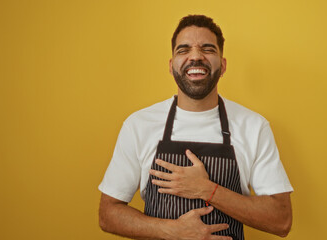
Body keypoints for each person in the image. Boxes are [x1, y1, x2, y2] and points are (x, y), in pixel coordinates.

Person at [98, 15, 293, 240]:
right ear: (172, 67)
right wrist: (173, 231)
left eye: (207, 49)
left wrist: (207, 189)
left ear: (223, 65)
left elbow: (281, 220)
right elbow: (108, 214)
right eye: (183, 50)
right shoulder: (138, 125)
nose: (196, 56)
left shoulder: (254, 126)